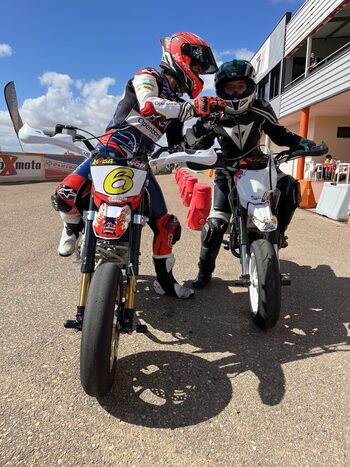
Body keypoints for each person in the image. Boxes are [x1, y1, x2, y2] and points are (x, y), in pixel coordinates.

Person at [51, 32, 218, 299]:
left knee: (167, 225)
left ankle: (164, 282)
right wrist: (192, 109)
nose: (197, 74)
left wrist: (206, 131)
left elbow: (179, 145)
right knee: (63, 195)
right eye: (197, 67)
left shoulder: (177, 106)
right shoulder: (147, 75)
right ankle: (72, 225)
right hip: (107, 152)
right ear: (181, 56)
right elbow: (150, 105)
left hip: (140, 164)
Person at [186, 59, 316, 289]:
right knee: (214, 226)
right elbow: (197, 141)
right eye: (230, 88)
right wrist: (189, 147)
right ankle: (204, 273)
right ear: (221, 90)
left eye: (240, 86)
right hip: (226, 171)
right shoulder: (213, 113)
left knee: (290, 188)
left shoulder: (261, 108)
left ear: (250, 86)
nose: (235, 92)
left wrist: (302, 142)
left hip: (259, 166)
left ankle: (278, 233)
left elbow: (279, 133)